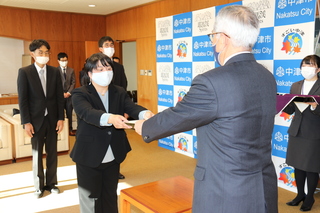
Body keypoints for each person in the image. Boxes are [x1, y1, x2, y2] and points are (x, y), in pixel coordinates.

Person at [135, 5, 278, 213]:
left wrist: (145, 126)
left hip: (226, 194)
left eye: (213, 36)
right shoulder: (267, 77)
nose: (213, 42)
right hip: (263, 188)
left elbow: (179, 116)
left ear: (223, 38)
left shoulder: (211, 82)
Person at [70, 53, 153, 213]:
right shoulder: (80, 93)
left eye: (108, 68)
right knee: (91, 200)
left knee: (109, 197)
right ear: (89, 74)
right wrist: (111, 118)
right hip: (89, 155)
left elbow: (131, 107)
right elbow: (87, 113)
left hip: (113, 153)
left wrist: (145, 114)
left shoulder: (119, 91)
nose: (105, 72)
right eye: (99, 69)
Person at [17, 39, 64, 198]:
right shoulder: (25, 72)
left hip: (52, 119)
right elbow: (23, 100)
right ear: (32, 54)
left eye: (46, 52)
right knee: (37, 153)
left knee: (52, 153)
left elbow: (59, 97)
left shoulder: (55, 71)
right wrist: (26, 122)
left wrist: (61, 117)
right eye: (40, 52)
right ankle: (38, 186)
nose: (44, 55)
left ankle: (51, 184)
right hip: (35, 120)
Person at [283, 55, 320, 212]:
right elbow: (290, 109)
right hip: (296, 131)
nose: (306, 69)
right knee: (297, 165)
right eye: (304, 66)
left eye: (310, 65)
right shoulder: (295, 85)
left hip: (314, 132)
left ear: (318, 69)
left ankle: (310, 197)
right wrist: (284, 103)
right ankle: (300, 195)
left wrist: (314, 106)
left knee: (311, 167)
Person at [99, 36, 128, 179]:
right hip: (100, 110)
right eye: (106, 45)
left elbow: (124, 86)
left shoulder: (119, 67)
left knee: (117, 141)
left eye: (112, 44)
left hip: (116, 110)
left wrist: (124, 108)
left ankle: (116, 170)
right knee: (101, 140)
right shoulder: (94, 65)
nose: (110, 46)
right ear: (100, 49)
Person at [57, 52, 76, 136]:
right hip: (59, 96)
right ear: (58, 61)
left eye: (65, 60)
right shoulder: (55, 71)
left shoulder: (71, 70)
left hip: (69, 96)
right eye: (62, 60)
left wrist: (68, 92)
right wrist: (62, 93)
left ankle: (70, 129)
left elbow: (73, 82)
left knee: (69, 113)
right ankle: (61, 130)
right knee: (60, 113)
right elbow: (55, 84)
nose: (64, 62)